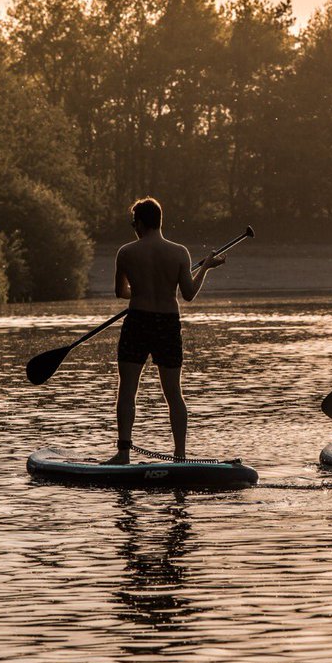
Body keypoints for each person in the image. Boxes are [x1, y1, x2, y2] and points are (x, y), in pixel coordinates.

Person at [105, 197, 226, 465]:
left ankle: (123, 453)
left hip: (137, 321)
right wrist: (205, 268)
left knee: (127, 390)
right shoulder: (180, 252)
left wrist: (141, 292)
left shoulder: (125, 253)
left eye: (133, 223)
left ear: (140, 223)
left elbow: (120, 292)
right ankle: (180, 455)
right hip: (167, 324)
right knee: (174, 393)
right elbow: (189, 294)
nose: (133, 228)